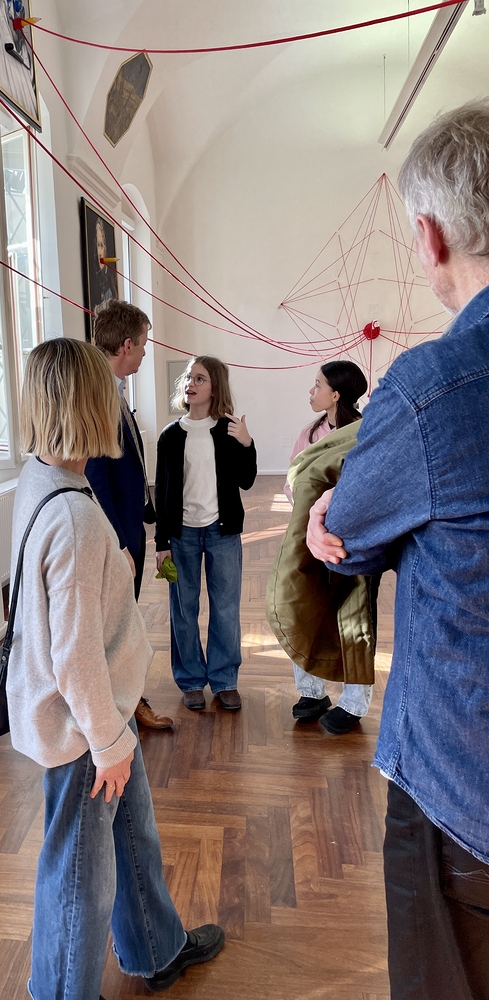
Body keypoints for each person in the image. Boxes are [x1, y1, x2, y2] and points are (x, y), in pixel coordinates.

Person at [306, 100, 489, 1000]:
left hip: (464, 785)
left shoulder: (432, 386)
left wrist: (327, 512)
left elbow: (347, 541)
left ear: (430, 234)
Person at [7, 337, 224, 1000]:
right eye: (111, 394)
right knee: (79, 873)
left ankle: (157, 949)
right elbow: (73, 655)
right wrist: (106, 742)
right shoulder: (73, 515)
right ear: (91, 405)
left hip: (103, 710)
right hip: (84, 727)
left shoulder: (46, 476)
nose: (120, 406)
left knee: (133, 837)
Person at [86, 300, 174, 730]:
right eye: (142, 344)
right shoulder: (97, 392)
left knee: (124, 622)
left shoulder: (113, 388)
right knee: (116, 627)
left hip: (128, 526)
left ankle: (126, 700)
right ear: (125, 345)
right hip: (116, 534)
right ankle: (117, 710)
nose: (143, 352)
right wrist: (118, 541)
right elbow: (96, 476)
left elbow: (127, 461)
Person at [155, 356, 257, 711]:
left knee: (225, 608)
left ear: (215, 387)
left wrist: (247, 443)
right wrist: (162, 543)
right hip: (181, 534)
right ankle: (191, 680)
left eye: (200, 378)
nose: (191, 384)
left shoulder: (229, 430)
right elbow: (163, 492)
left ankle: (225, 679)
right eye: (188, 377)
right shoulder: (170, 436)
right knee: (183, 610)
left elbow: (247, 480)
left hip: (222, 532)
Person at [283, 360, 376, 735]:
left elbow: (370, 485)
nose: (312, 390)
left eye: (318, 384)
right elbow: (293, 481)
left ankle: (354, 703)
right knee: (304, 609)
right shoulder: (309, 433)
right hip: (308, 536)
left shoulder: (365, 433)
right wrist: (309, 515)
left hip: (353, 541)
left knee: (354, 619)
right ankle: (311, 692)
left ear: (335, 394)